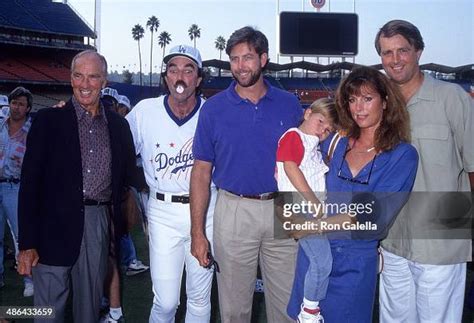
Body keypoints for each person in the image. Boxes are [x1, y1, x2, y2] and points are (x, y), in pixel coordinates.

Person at [287, 66, 418, 322]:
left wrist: (313, 226)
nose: (358, 108)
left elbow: (373, 216)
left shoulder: (403, 155)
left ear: (386, 101)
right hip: (315, 259)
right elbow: (292, 165)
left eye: (367, 99)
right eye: (352, 99)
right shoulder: (333, 141)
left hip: (355, 267)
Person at [190, 26, 303, 323]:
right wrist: (197, 231)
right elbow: (201, 172)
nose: (240, 66)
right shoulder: (213, 109)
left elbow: (308, 158)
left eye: (248, 57)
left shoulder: (290, 104)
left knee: (288, 305)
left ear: (263, 59)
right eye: (235, 59)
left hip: (283, 208)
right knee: (234, 309)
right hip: (234, 209)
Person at [17, 50, 138, 323]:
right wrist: (27, 244)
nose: (85, 84)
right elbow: (30, 184)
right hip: (51, 227)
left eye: (93, 77)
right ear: (70, 78)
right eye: (78, 75)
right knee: (47, 314)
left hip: (97, 225)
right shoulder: (48, 120)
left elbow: (126, 177)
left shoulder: (119, 127)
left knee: (89, 311)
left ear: (105, 81)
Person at [375, 20, 474, 323]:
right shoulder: (379, 103)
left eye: (402, 50)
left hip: (441, 238)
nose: (395, 59)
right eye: (387, 52)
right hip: (391, 240)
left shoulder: (452, 97)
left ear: (418, 50)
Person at [126, 44, 215, 323]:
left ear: (198, 78)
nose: (180, 76)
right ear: (165, 77)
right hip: (162, 210)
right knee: (166, 302)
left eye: (188, 70)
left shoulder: (213, 112)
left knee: (200, 299)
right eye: (173, 69)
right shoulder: (145, 111)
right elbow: (116, 145)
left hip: (208, 210)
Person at [275, 98, 337, 323]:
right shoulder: (294, 135)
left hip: (306, 207)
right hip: (300, 207)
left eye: (328, 129)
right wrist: (313, 202)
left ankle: (309, 308)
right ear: (308, 113)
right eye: (321, 122)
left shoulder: (313, 146)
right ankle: (309, 312)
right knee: (322, 260)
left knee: (318, 260)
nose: (323, 131)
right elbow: (290, 168)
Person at [0, 87, 34, 296]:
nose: (16, 107)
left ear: (28, 108)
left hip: (17, 186)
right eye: (14, 103)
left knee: (22, 237)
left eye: (21, 104)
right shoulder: (0, 126)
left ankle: (29, 280)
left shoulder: (32, 132)